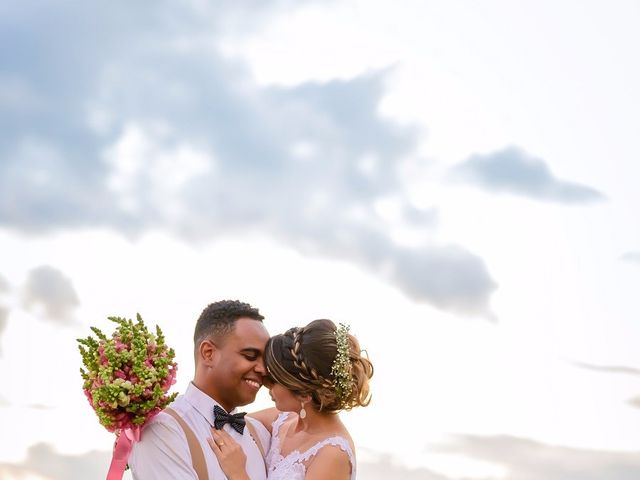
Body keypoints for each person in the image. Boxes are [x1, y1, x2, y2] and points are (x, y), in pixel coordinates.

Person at [207, 319, 374, 480]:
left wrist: (238, 473)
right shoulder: (282, 420)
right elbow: (226, 421)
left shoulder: (333, 453)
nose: (266, 384)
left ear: (304, 395)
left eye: (274, 379)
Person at [129, 300, 271, 479]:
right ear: (208, 353)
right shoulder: (163, 431)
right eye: (250, 356)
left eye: (265, 360)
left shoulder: (259, 434)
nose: (263, 369)